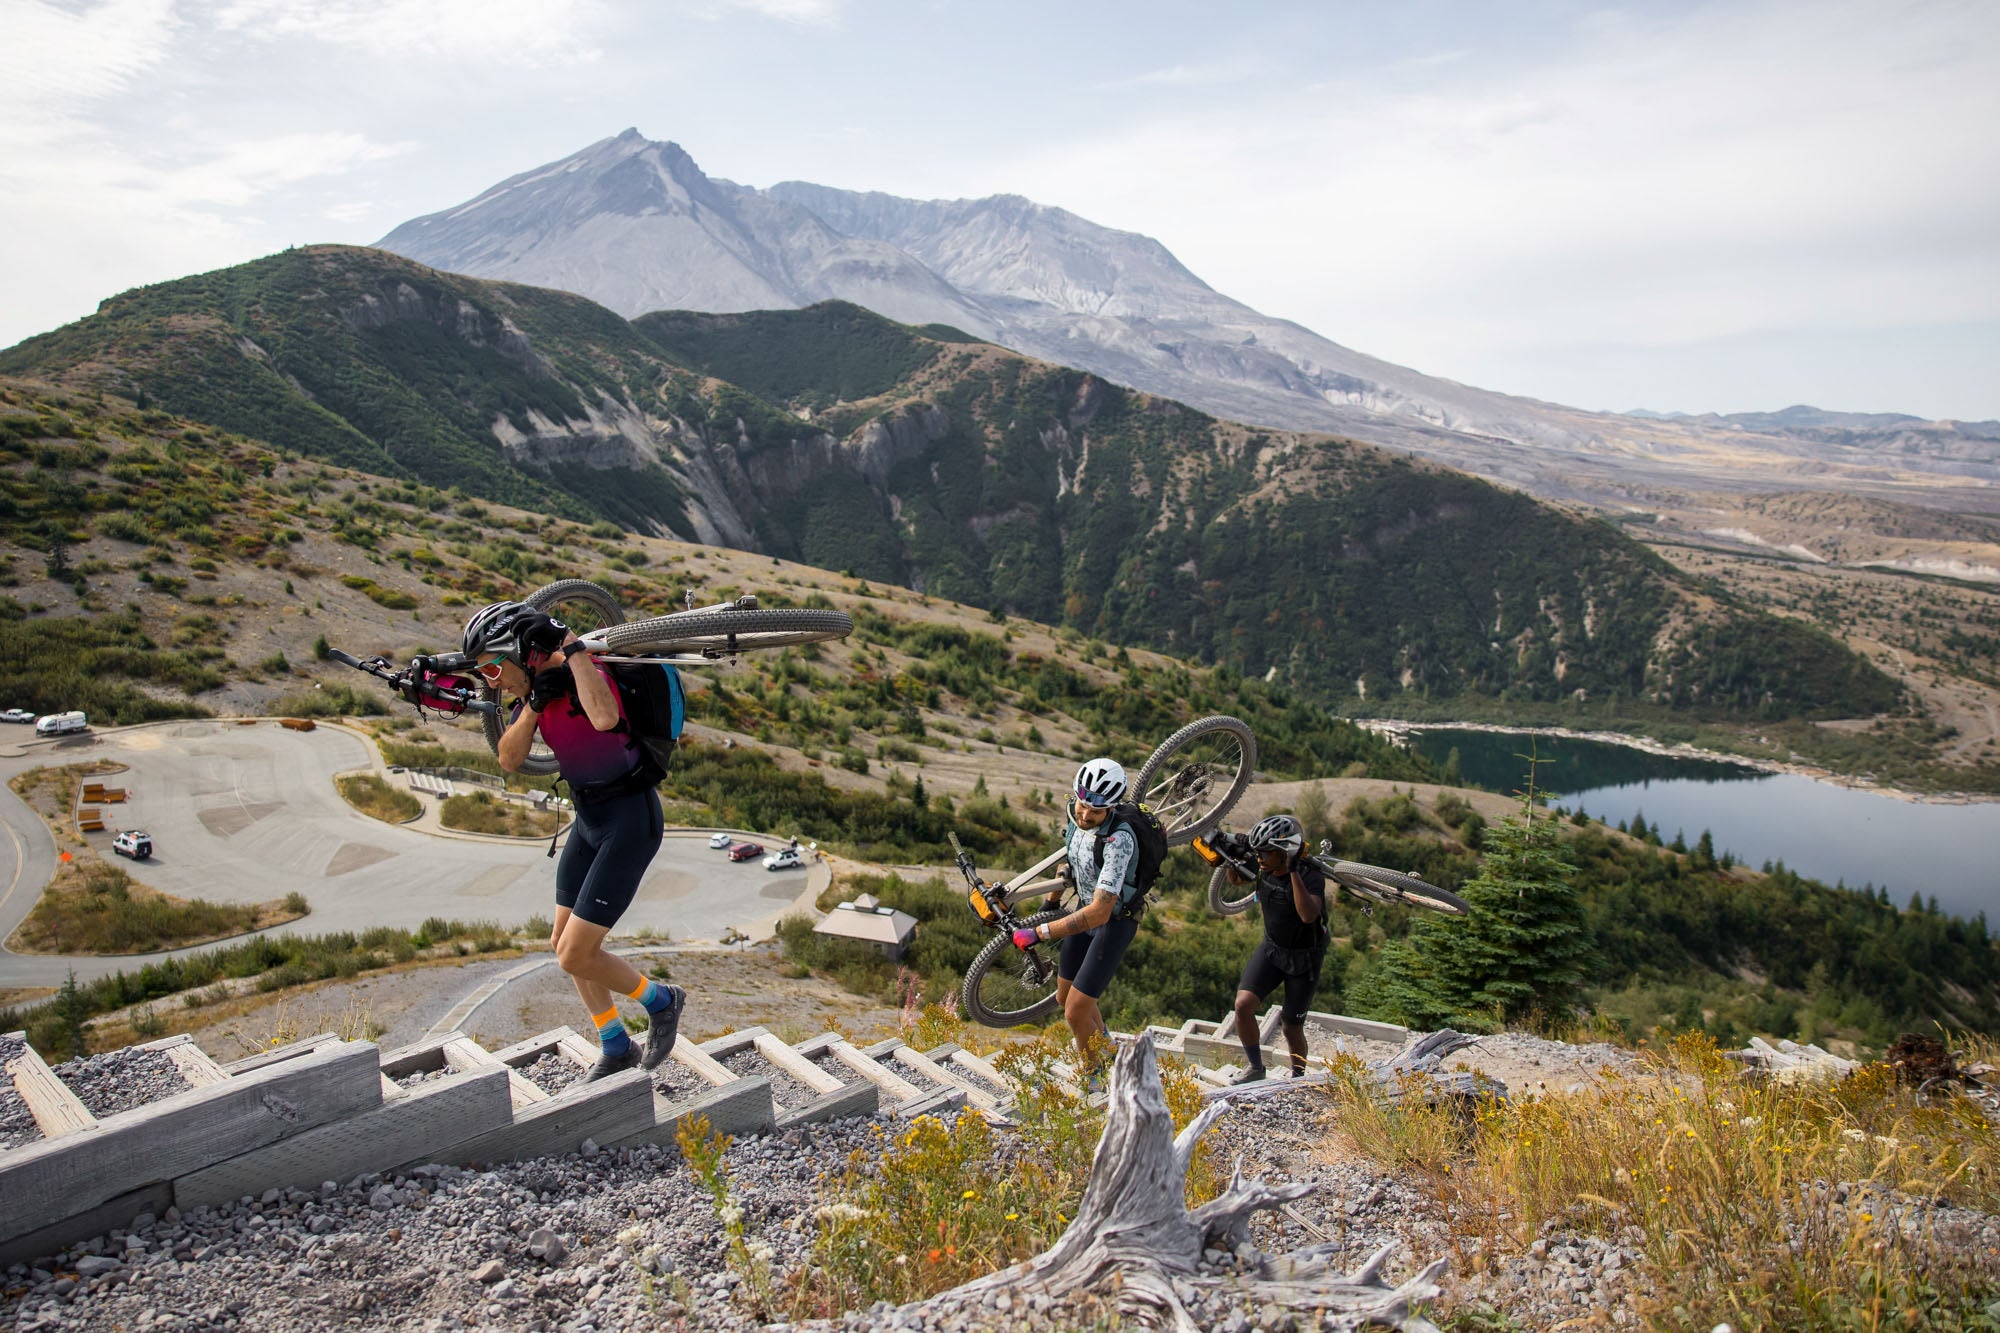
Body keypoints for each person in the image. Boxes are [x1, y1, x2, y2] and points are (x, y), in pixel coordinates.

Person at [465, 600, 686, 1080]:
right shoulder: (532, 693)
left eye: (490, 667)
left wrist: (571, 648)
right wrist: (535, 705)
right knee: (562, 944)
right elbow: (508, 759)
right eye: (481, 672)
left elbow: (604, 718)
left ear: (519, 654)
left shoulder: (580, 673)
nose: (489, 680)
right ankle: (615, 1044)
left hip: (629, 818)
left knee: (576, 953)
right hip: (588, 819)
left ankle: (663, 1001)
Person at [1009, 757, 1144, 1082]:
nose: (1084, 815)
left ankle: (1093, 1076)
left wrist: (1040, 931)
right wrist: (1050, 903)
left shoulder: (1118, 840)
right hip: (1082, 914)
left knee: (1075, 1010)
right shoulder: (1075, 815)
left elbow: (1100, 910)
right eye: (1082, 805)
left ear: (1110, 809)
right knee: (1062, 997)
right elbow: (1070, 855)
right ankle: (1107, 1045)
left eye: (1095, 812)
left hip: (1113, 923)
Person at [1223, 814, 1328, 1083]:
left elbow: (1308, 915)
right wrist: (1227, 857)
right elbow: (1236, 881)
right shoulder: (1263, 867)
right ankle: (1256, 1068)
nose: (1259, 858)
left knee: (1291, 1027)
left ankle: (1298, 1077)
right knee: (1243, 1005)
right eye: (1257, 852)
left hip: (1305, 958)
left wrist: (1292, 871)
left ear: (1284, 853)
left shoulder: (1309, 874)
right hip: (1273, 949)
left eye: (1266, 853)